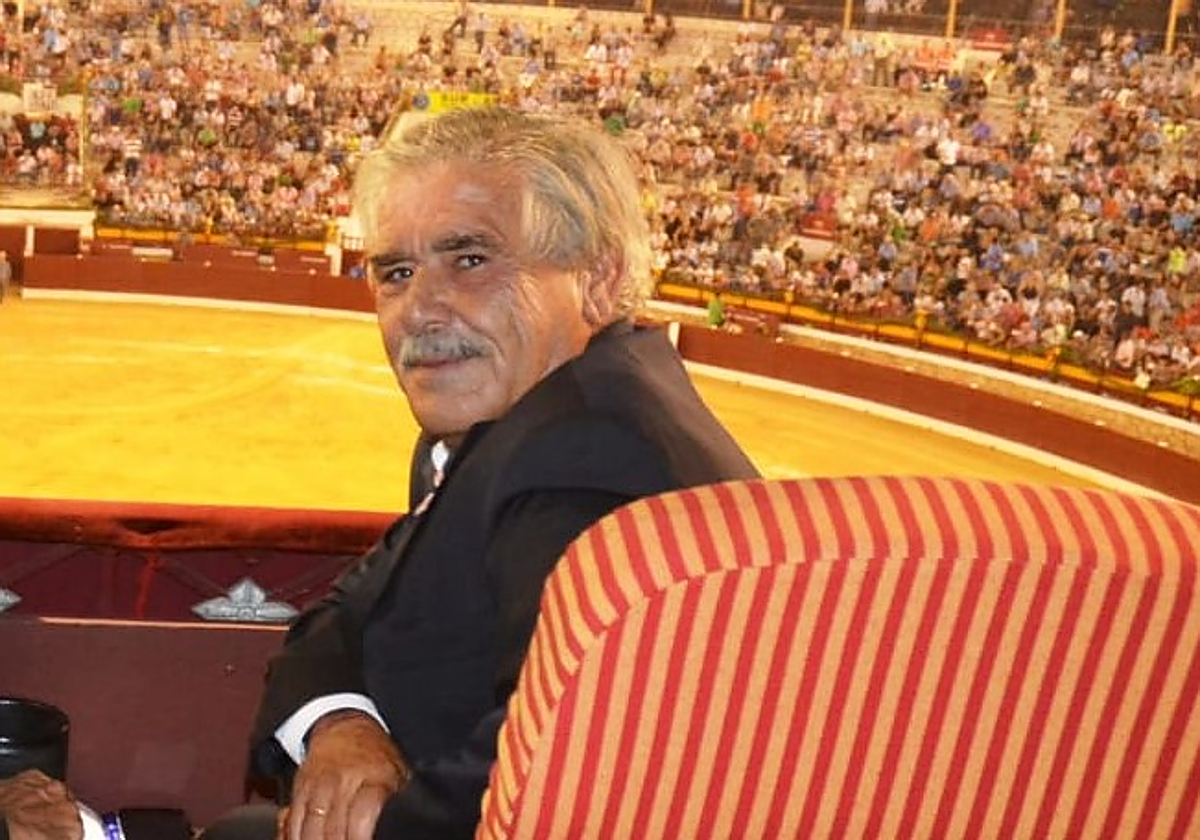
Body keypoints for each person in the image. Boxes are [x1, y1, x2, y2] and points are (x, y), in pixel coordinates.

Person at [206, 106, 759, 840]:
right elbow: (348, 610)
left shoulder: (583, 456)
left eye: (470, 259)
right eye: (396, 273)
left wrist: (369, 821)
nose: (420, 310)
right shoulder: (531, 418)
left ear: (599, 279)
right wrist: (341, 724)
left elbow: (549, 781)